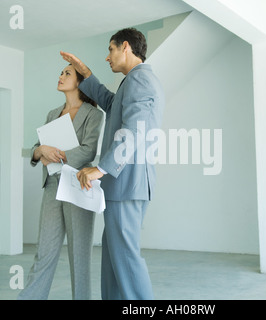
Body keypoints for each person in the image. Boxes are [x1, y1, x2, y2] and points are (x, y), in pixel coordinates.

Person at [60, 27, 165, 300]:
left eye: (110, 49)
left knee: (126, 260)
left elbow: (135, 130)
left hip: (126, 184)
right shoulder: (133, 82)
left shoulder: (139, 81)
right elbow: (110, 101)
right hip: (125, 186)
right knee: (115, 258)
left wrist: (101, 168)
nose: (108, 57)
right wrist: (84, 72)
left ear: (126, 47)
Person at [17, 64, 104, 300]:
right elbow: (38, 149)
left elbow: (88, 151)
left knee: (80, 257)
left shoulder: (94, 114)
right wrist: (41, 151)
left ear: (80, 82)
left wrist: (60, 154)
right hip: (53, 186)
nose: (61, 76)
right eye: (61, 72)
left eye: (67, 73)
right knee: (44, 252)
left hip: (77, 185)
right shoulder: (52, 113)